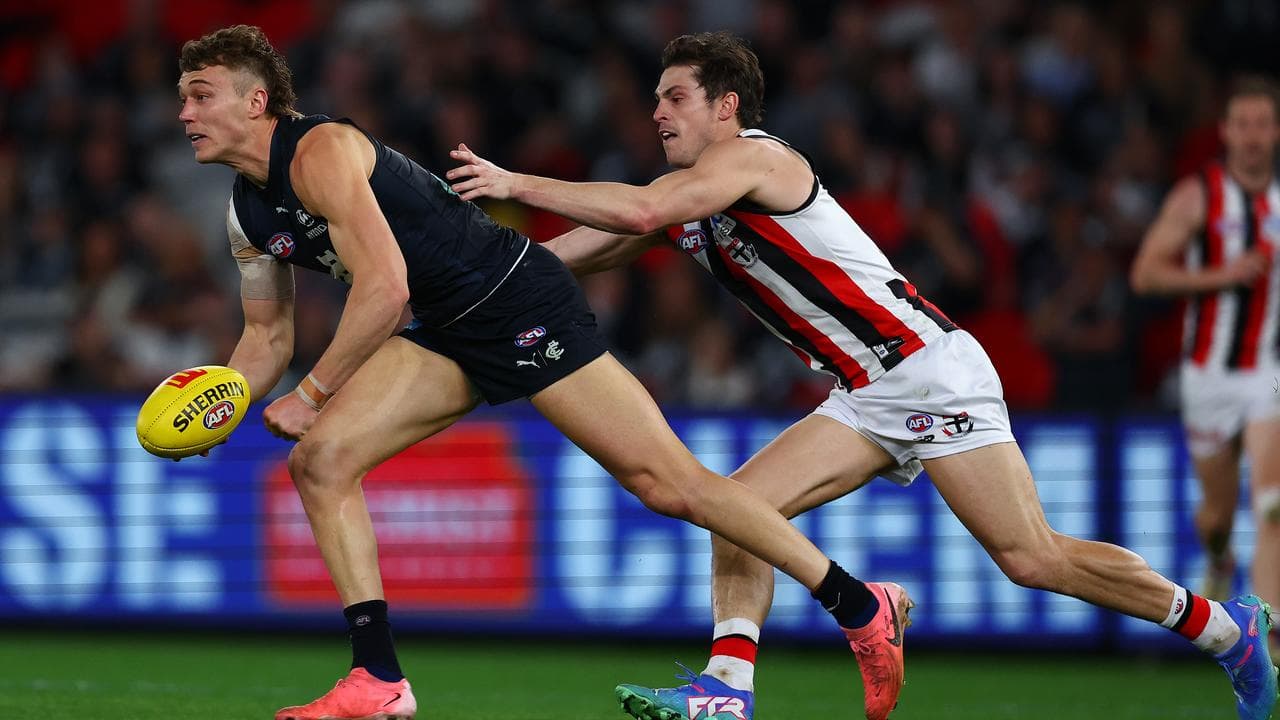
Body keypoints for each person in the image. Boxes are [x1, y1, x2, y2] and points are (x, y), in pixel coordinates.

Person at [446, 31, 1279, 720]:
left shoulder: (755, 160)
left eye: (675, 97)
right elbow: (562, 259)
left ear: (726, 107)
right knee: (737, 509)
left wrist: (515, 182)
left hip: (926, 371)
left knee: (1031, 558)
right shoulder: (692, 195)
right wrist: (467, 276)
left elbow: (639, 211)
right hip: (865, 391)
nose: (657, 111)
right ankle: (725, 690)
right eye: (657, 98)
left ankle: (1222, 629)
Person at [176, 25, 911, 720]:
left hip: (515, 298)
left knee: (669, 486)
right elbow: (266, 338)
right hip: (449, 326)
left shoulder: (321, 151)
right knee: (322, 462)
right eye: (183, 97)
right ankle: (379, 678)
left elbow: (385, 287)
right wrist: (221, 405)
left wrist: (312, 393)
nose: (185, 113)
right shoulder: (247, 213)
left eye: (201, 95)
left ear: (256, 100)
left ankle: (857, 602)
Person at [1131, 77, 1280, 654]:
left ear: (1275, 132)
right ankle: (1220, 558)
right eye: (1242, 125)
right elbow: (1146, 274)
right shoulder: (1200, 196)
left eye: (1262, 124)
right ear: (1225, 132)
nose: (1252, 136)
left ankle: (1268, 643)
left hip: (1269, 371)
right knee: (1216, 516)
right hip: (1209, 374)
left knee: (1272, 506)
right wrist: (1224, 275)